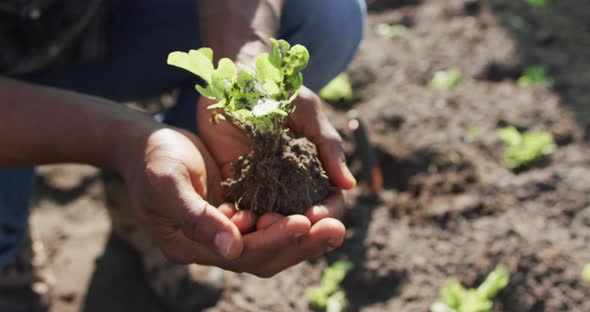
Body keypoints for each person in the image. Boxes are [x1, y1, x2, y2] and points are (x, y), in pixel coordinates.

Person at [0, 0, 366, 311]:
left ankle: (175, 188)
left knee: (323, 14)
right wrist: (125, 143)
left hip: (101, 19)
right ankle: (8, 246)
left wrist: (244, 54)